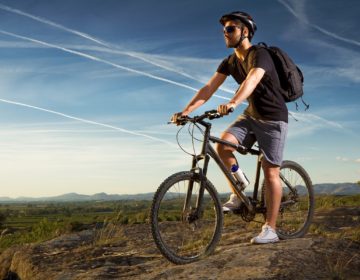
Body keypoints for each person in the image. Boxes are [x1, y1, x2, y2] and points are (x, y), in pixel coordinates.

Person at [171, 11, 288, 244]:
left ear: (245, 31)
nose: (225, 33)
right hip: (251, 114)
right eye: (224, 29)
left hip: (273, 118)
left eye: (230, 29)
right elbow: (208, 88)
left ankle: (271, 229)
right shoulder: (230, 61)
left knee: (270, 169)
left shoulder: (260, 54)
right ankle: (238, 190)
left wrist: (233, 102)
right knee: (223, 147)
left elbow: (252, 79)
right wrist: (186, 111)